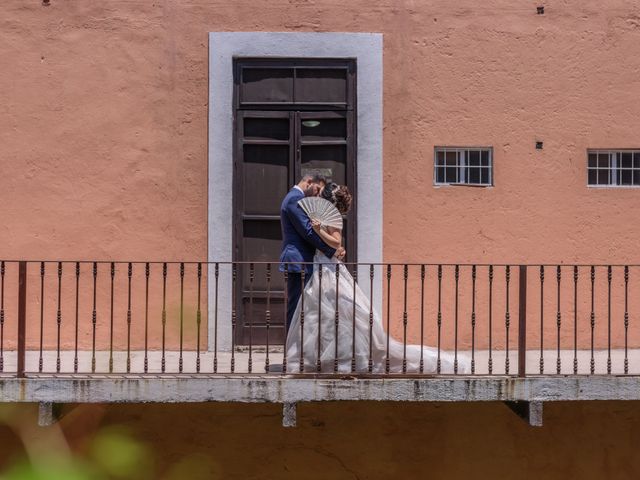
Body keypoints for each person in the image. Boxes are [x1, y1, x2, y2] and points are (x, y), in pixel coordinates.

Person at [285, 182, 471, 374]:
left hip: (329, 269)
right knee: (321, 315)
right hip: (321, 267)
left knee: (338, 313)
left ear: (328, 200)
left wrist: (319, 231)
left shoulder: (334, 219)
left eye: (322, 195)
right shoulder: (321, 216)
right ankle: (317, 358)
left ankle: (343, 359)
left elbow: (336, 241)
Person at [279, 175, 345, 332]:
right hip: (298, 260)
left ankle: (300, 347)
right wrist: (332, 251)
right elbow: (307, 232)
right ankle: (292, 348)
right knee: (296, 306)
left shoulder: (296, 198)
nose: (317, 195)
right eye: (317, 189)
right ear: (309, 182)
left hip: (306, 260)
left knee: (305, 307)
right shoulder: (294, 199)